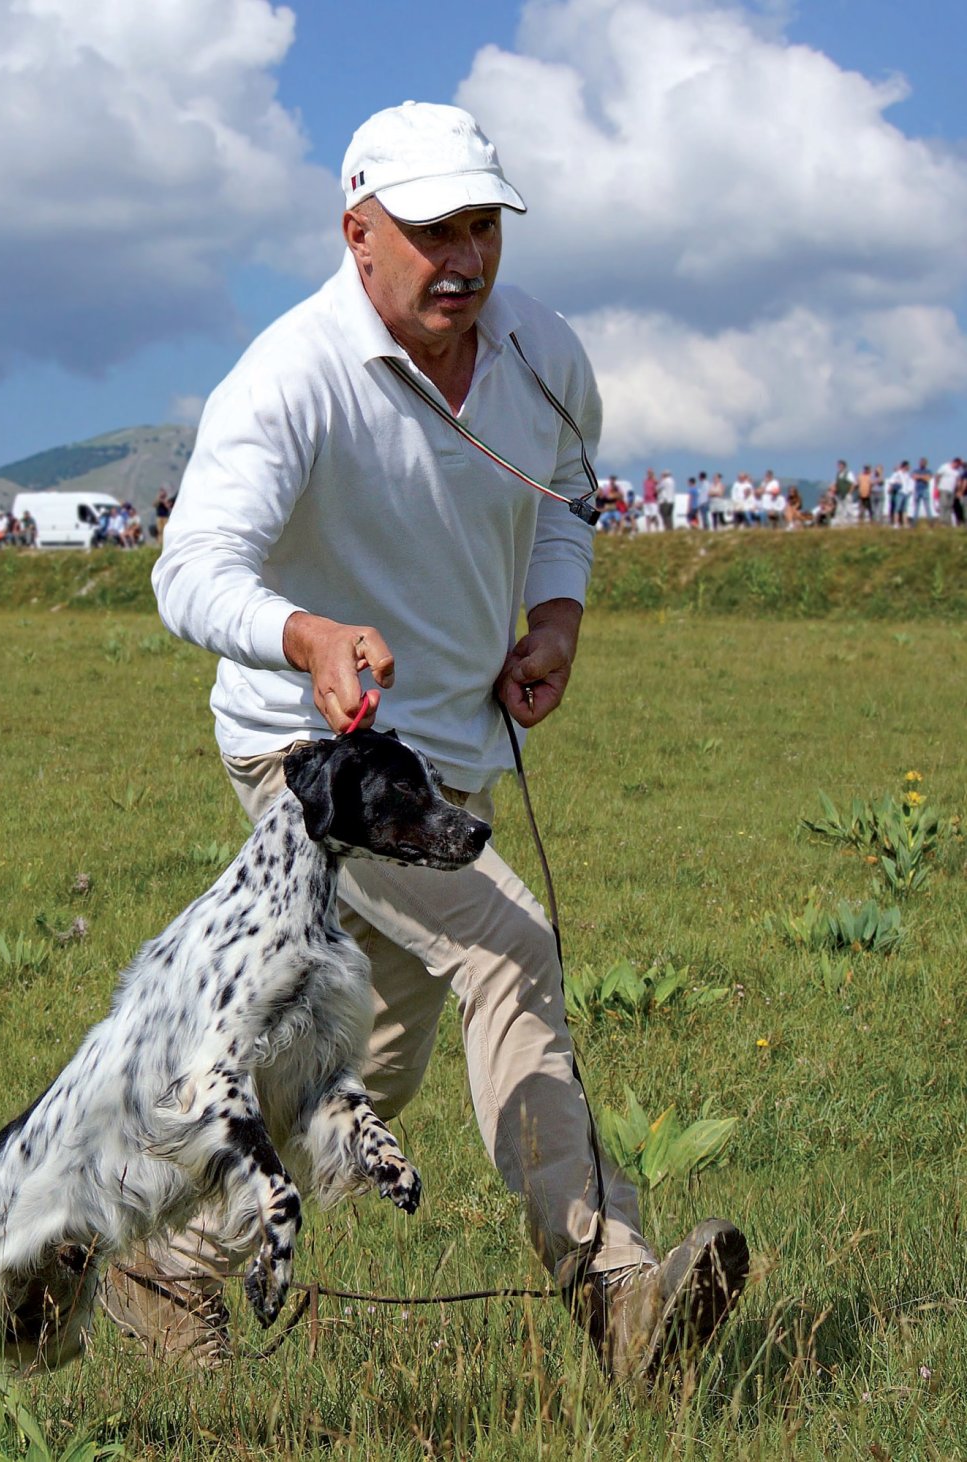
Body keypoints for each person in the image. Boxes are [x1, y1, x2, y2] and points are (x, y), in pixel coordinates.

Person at [131, 100, 748, 1382]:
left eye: (482, 224)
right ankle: (620, 1298)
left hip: (449, 768)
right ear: (356, 232)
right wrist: (302, 635)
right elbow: (187, 572)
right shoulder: (288, 375)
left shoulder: (540, 352)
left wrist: (556, 618)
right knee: (509, 948)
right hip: (315, 768)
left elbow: (567, 497)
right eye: (428, 230)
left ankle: (167, 1261)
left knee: (366, 1073)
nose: (461, 256)